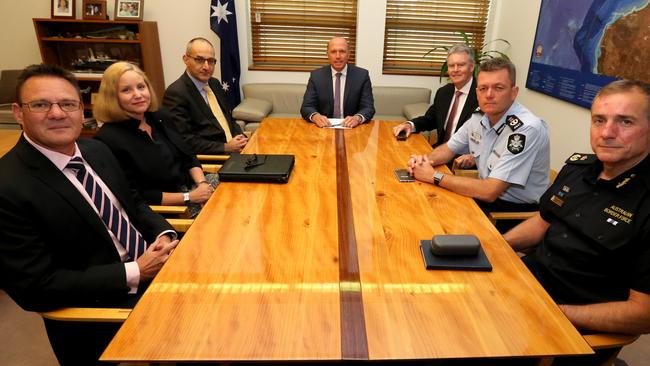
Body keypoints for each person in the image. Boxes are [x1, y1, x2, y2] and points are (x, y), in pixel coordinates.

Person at [0, 64, 178, 365]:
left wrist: (164, 234)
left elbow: (132, 203)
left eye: (67, 104)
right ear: (19, 113)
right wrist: (137, 271)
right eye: (41, 104)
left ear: (81, 111)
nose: (57, 114)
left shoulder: (96, 150)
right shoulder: (8, 187)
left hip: (155, 264)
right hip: (104, 305)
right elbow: (36, 287)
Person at [504, 80, 650, 365]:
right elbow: (541, 223)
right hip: (525, 289)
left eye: (625, 121)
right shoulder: (577, 169)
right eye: (599, 120)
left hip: (565, 329)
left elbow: (643, 313)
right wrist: (494, 246)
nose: (607, 133)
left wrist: (555, 312)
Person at [407, 58, 550, 224]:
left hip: (513, 213)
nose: (489, 95)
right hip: (483, 199)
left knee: (437, 224)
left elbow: (490, 191)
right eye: (483, 88)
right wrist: (424, 161)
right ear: (477, 92)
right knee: (421, 209)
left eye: (498, 88)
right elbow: (448, 149)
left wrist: (434, 176)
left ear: (514, 92)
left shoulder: (526, 129)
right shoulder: (479, 116)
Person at [94, 62, 217, 218]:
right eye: (126, 90)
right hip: (172, 210)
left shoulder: (159, 116)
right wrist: (190, 197)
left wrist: (202, 184)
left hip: (194, 186)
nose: (138, 95)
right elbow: (136, 195)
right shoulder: (108, 139)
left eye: (141, 87)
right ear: (112, 97)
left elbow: (188, 155)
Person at [163, 37, 247, 154]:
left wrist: (240, 136)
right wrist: (225, 147)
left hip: (235, 151)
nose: (206, 67)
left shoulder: (214, 83)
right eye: (199, 60)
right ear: (186, 59)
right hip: (213, 159)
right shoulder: (176, 93)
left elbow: (228, 119)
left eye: (211, 61)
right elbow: (184, 140)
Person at [393, 44, 478, 146]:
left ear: (472, 66)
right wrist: (410, 125)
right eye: (451, 66)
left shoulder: (483, 94)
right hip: (440, 150)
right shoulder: (444, 92)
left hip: (465, 157)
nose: (455, 70)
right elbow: (430, 119)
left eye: (460, 65)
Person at [300, 37, 375, 128]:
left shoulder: (362, 76)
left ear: (348, 54)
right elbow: (306, 107)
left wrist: (357, 118)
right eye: (333, 52)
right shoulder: (316, 76)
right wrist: (316, 117)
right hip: (323, 129)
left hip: (352, 129)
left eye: (342, 51)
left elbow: (368, 108)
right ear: (327, 54)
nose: (338, 56)